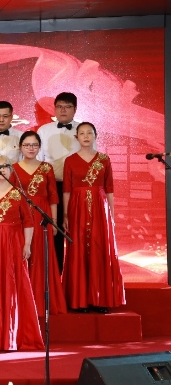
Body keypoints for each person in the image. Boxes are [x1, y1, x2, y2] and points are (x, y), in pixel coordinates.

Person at [0, 156, 43, 351]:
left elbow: (28, 221)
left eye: (5, 166)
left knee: (13, 284)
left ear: (10, 170)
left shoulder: (18, 194)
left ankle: (13, 334)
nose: (1, 169)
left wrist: (27, 244)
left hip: (13, 245)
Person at [62, 122, 125, 313]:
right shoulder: (70, 160)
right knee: (79, 249)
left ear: (95, 136)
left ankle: (100, 299)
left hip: (100, 208)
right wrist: (66, 215)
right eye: (82, 133)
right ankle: (80, 300)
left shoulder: (104, 159)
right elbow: (67, 190)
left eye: (89, 133)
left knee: (100, 249)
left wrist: (111, 214)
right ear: (76, 137)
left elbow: (109, 189)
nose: (86, 136)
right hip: (77, 208)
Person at [11, 131, 67, 316]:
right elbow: (11, 197)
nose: (31, 148)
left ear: (39, 147)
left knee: (42, 256)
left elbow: (53, 197)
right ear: (20, 147)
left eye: (34, 145)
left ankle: (42, 302)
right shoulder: (13, 169)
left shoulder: (46, 168)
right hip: (21, 218)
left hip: (43, 217)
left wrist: (54, 221)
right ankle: (23, 301)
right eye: (27, 145)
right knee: (24, 255)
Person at [37, 92, 81, 272]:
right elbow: (39, 161)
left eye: (67, 107)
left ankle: (76, 277)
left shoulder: (83, 130)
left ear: (75, 109)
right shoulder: (44, 131)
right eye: (59, 107)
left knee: (76, 230)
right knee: (54, 230)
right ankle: (56, 274)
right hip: (53, 186)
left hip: (77, 189)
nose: (63, 110)